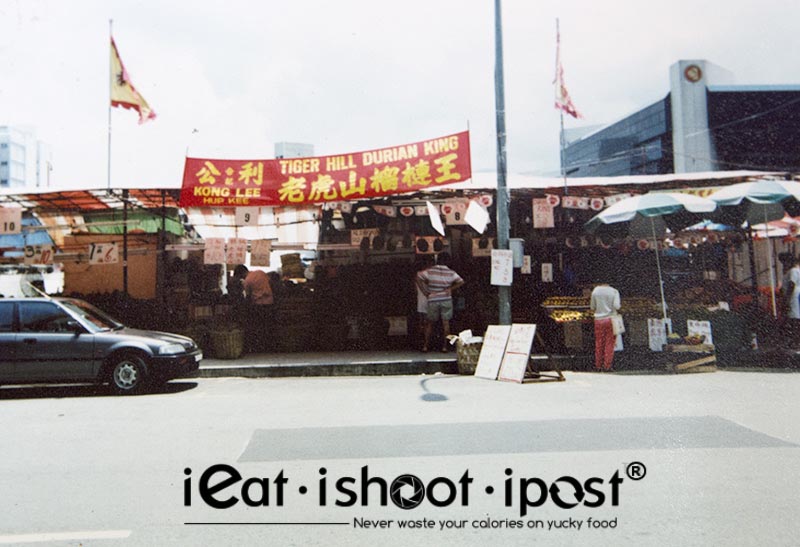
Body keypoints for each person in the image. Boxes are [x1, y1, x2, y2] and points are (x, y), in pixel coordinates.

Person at [416, 253, 464, 353]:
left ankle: (425, 346)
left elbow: (418, 277)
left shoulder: (430, 271)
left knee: (430, 323)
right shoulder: (450, 272)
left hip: (433, 299)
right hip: (446, 299)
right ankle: (445, 347)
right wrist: (450, 289)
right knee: (446, 323)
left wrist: (425, 292)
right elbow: (461, 281)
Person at [237, 266, 274, 353]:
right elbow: (270, 282)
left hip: (258, 305)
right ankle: (270, 347)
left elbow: (248, 296)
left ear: (242, 274)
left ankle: (260, 347)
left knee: (259, 327)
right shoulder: (260, 272)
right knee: (268, 326)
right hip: (270, 303)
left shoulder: (247, 281)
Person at [590, 282, 621, 371]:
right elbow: (617, 306)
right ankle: (607, 366)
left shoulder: (595, 291)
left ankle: (598, 365)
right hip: (610, 319)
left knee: (599, 343)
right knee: (609, 343)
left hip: (598, 320)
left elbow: (592, 307)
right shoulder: (614, 291)